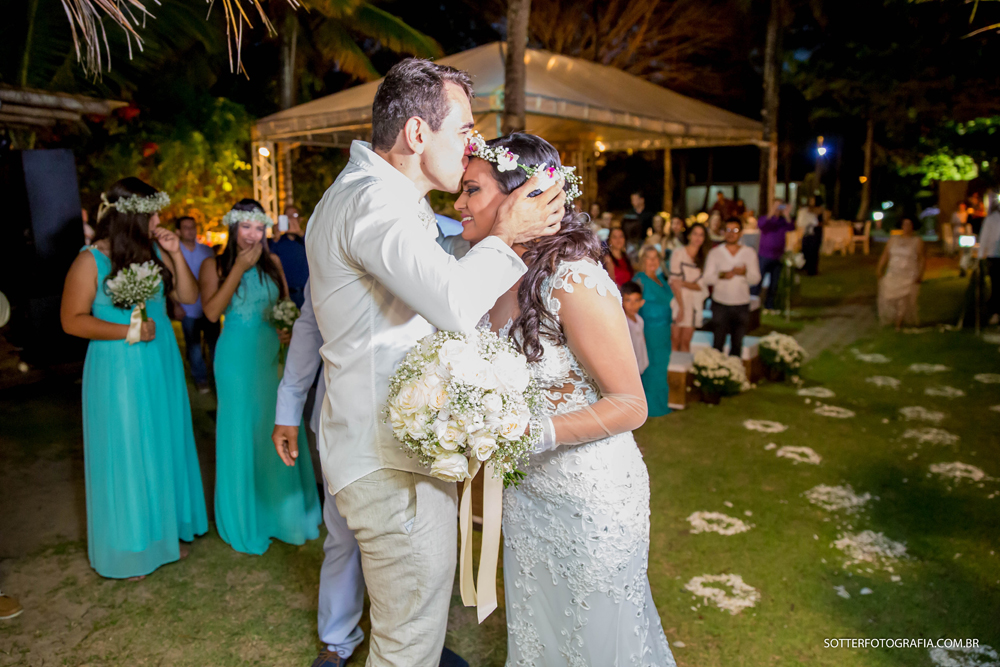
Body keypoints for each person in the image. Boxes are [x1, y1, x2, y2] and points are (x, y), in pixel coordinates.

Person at [304, 59, 565, 666]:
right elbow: (450, 300)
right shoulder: (372, 203)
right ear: (417, 135)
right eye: (464, 129)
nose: (474, 143)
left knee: (413, 627)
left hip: (389, 449)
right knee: (407, 645)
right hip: (387, 462)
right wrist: (508, 232)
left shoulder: (378, 197)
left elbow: (426, 271)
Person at [456, 131, 676, 667]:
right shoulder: (490, 277)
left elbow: (630, 404)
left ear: (524, 197)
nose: (458, 204)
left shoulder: (573, 279)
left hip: (594, 497)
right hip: (528, 496)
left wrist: (532, 434)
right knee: (540, 633)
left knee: (598, 641)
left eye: (471, 190)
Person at [271, 222, 473, 667]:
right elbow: (308, 327)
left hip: (428, 423)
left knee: (423, 541)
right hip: (348, 419)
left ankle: (419, 643)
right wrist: (288, 406)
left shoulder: (453, 234)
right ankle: (336, 640)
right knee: (343, 534)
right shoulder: (348, 230)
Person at [60, 177, 208, 579]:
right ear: (131, 216)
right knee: (127, 449)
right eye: (152, 211)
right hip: (117, 367)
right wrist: (127, 330)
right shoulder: (91, 260)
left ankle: (163, 534)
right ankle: (130, 547)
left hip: (159, 362)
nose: (159, 219)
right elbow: (71, 321)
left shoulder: (157, 250)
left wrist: (176, 254)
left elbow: (190, 299)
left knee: (161, 444)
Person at [200, 199, 321, 555]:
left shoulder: (275, 263)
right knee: (242, 430)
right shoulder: (213, 264)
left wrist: (285, 330)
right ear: (233, 228)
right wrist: (238, 267)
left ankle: (283, 515)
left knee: (277, 424)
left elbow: (286, 306)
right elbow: (210, 312)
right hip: (236, 357)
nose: (253, 235)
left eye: (258, 228)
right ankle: (246, 516)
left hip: (271, 355)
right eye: (245, 227)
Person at [703, 218, 761, 357]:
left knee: (737, 344)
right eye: (728, 230)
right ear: (723, 232)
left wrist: (744, 273)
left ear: (741, 233)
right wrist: (722, 275)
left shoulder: (749, 253)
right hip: (720, 303)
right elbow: (706, 278)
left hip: (741, 304)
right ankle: (715, 374)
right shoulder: (715, 253)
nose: (731, 234)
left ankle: (734, 372)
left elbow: (756, 278)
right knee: (718, 342)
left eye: (735, 230)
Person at [175, 215, 219, 393]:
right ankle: (201, 379)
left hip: (208, 305)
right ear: (178, 231)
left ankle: (217, 377)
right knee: (193, 346)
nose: (190, 230)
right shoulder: (174, 251)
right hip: (187, 308)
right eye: (186, 227)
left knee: (214, 343)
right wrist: (175, 305)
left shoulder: (206, 251)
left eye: (192, 227)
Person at [634, 246, 674, 417]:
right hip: (649, 330)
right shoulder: (639, 280)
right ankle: (650, 408)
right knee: (651, 366)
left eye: (655, 258)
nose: (653, 261)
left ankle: (661, 403)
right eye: (648, 258)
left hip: (664, 330)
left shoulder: (660, 279)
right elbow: (631, 307)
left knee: (661, 365)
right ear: (642, 260)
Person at [877, 217, 926, 331]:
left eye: (909, 225)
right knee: (890, 296)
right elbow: (885, 255)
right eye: (904, 224)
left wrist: (920, 273)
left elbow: (921, 258)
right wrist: (880, 268)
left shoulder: (917, 241)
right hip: (893, 272)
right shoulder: (893, 240)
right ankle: (892, 318)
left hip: (908, 274)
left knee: (903, 299)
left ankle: (898, 324)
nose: (906, 227)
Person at [669, 222, 709, 352]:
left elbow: (701, 286)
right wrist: (681, 307)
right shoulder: (678, 253)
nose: (698, 238)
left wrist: (684, 283)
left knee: (686, 342)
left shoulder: (705, 257)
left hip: (694, 303)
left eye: (701, 235)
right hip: (679, 300)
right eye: (695, 234)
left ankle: (683, 371)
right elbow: (674, 282)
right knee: (674, 341)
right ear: (690, 235)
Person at [756, 200, 796, 311]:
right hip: (764, 255)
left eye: (780, 205)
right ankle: (755, 304)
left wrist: (787, 214)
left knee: (774, 284)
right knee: (758, 281)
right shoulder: (766, 218)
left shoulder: (783, 221)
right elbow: (761, 225)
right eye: (776, 205)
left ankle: (770, 306)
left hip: (778, 256)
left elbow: (792, 227)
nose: (778, 208)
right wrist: (772, 212)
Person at [269, 205, 310, 308]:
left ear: (300, 219)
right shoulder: (279, 241)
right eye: (287, 216)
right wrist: (276, 237)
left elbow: (317, 251)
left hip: (307, 294)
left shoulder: (306, 240)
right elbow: (269, 259)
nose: (291, 218)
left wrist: (299, 232)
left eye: (294, 215)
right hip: (285, 294)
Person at [979, 197, 1000, 325]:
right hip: (995, 257)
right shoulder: (992, 219)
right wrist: (982, 255)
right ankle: (995, 313)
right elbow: (985, 237)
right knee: (996, 285)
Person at [621, 281, 649, 374]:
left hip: (639, 366)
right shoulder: (623, 322)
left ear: (642, 302)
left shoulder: (640, 320)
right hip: (626, 368)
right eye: (628, 300)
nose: (632, 305)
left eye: (636, 300)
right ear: (621, 301)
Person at [797, 196, 823, 276]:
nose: (811, 202)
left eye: (812, 200)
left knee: (813, 252)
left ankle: (812, 270)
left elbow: (821, 220)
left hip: (815, 233)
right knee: (805, 250)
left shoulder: (819, 209)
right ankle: (805, 266)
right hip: (807, 233)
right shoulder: (807, 209)